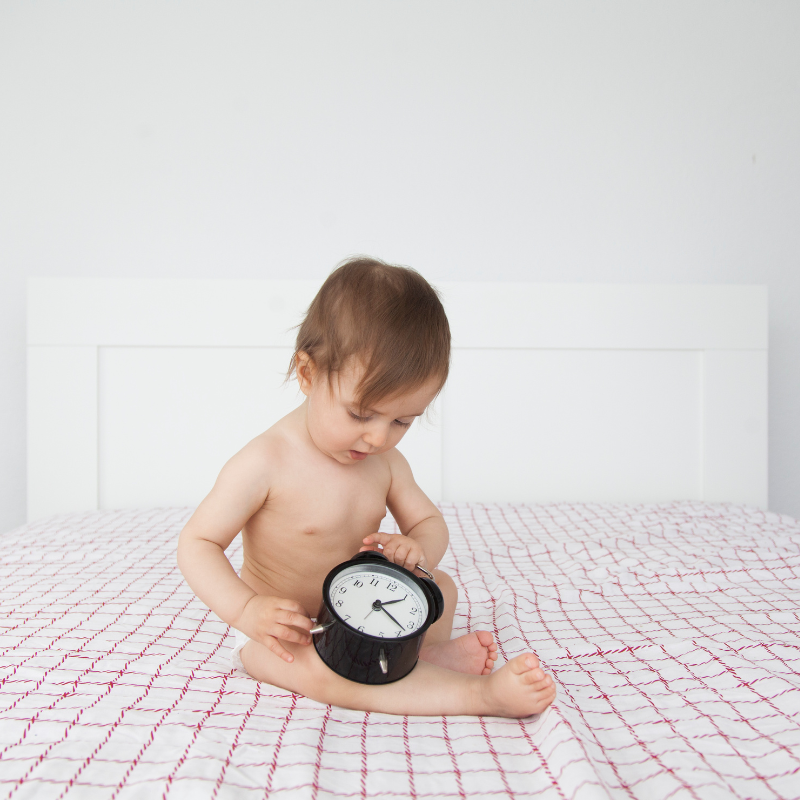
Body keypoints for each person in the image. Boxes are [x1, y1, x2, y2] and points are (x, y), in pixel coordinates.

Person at [177, 256, 556, 717]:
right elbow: (197, 543)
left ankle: (419, 657)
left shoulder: (384, 462)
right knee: (322, 674)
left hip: (368, 610)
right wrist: (247, 611)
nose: (378, 438)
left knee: (443, 587)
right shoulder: (265, 461)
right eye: (360, 414)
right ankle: (478, 696)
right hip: (292, 627)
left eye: (401, 421)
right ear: (308, 374)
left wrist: (417, 550)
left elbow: (428, 522)